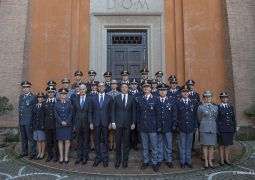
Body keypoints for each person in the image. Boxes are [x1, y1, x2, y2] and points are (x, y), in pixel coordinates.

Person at [111, 83, 136, 169]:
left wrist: (133, 123)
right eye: (123, 87)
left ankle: (125, 160)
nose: (124, 88)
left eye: (126, 87)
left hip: (128, 124)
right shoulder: (116, 98)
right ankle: (118, 160)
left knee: (126, 143)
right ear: (120, 89)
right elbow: (113, 111)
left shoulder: (132, 98)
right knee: (118, 143)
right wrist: (113, 122)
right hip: (118, 124)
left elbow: (134, 112)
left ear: (128, 89)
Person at [89, 82, 113, 168]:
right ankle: (97, 158)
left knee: (105, 141)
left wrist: (111, 122)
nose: (101, 87)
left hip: (106, 123)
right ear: (97, 88)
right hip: (96, 123)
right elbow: (90, 111)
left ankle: (105, 159)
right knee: (97, 141)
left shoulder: (109, 98)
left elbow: (111, 111)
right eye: (99, 86)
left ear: (105, 87)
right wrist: (91, 122)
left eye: (102, 86)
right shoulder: (93, 98)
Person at [137, 82, 159, 172]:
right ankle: (145, 162)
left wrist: (158, 126)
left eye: (147, 87)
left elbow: (158, 114)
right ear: (142, 89)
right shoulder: (140, 99)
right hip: (143, 126)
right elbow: (138, 113)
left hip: (152, 126)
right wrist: (138, 124)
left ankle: (154, 162)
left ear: (150, 89)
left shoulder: (155, 99)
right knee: (145, 146)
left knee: (154, 146)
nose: (146, 88)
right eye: (144, 87)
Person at [156, 83, 177, 169]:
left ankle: (169, 160)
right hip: (159, 126)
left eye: (164, 90)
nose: (162, 91)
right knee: (159, 143)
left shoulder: (171, 101)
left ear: (167, 91)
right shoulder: (155, 100)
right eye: (161, 90)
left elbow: (174, 114)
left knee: (168, 143)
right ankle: (160, 159)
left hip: (168, 126)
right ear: (158, 91)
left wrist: (174, 124)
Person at [176, 85, 197, 169]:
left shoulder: (193, 102)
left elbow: (195, 116)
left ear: (189, 93)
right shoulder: (178, 102)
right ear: (181, 93)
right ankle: (182, 161)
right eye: (183, 92)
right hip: (181, 127)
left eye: (186, 92)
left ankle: (188, 161)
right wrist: (177, 126)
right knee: (182, 145)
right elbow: (176, 116)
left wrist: (195, 126)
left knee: (189, 146)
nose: (185, 93)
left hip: (191, 127)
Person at [197, 91, 218, 168]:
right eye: (206, 97)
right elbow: (199, 118)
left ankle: (210, 160)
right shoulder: (200, 107)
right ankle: (205, 160)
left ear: (211, 98)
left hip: (212, 128)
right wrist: (204, 124)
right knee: (205, 146)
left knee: (211, 146)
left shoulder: (215, 107)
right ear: (204, 98)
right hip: (204, 129)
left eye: (209, 97)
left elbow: (215, 118)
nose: (208, 98)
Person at [18, 81, 37, 160]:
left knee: (30, 138)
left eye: (27, 87)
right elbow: (20, 109)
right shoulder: (21, 97)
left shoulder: (33, 97)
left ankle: (33, 153)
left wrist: (33, 121)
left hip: (29, 121)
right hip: (22, 120)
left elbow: (34, 111)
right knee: (23, 138)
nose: (25, 89)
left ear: (29, 88)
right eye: (24, 88)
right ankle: (24, 152)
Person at [217, 92, 236, 166]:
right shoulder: (218, 107)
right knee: (221, 145)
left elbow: (233, 119)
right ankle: (221, 160)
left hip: (229, 129)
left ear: (227, 98)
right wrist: (217, 130)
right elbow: (217, 120)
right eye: (223, 97)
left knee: (227, 145)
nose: (224, 99)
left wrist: (234, 129)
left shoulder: (231, 107)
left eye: (226, 97)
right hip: (221, 129)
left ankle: (227, 159)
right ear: (220, 98)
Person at [54, 88, 73, 164]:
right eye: (62, 94)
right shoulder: (56, 103)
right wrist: (61, 121)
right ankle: (61, 156)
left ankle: (66, 156)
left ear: (66, 95)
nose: (63, 95)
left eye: (64, 94)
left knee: (67, 140)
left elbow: (71, 114)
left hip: (68, 125)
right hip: (59, 125)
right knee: (60, 140)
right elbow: (55, 114)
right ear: (60, 95)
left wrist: (66, 121)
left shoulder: (69, 103)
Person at [73, 84, 90, 165]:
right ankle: (79, 157)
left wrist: (91, 123)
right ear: (78, 90)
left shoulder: (90, 99)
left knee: (86, 141)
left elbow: (91, 112)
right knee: (78, 141)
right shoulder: (75, 99)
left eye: (83, 89)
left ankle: (85, 157)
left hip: (86, 123)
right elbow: (74, 112)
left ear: (86, 90)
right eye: (80, 89)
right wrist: (74, 124)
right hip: (78, 123)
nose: (82, 90)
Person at [44, 86, 58, 162]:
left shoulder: (57, 101)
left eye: (52, 92)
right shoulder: (44, 102)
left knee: (55, 141)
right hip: (47, 125)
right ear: (47, 93)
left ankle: (56, 156)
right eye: (49, 92)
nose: (50, 93)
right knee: (49, 141)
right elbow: (43, 115)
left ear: (55, 93)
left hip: (55, 125)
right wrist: (43, 125)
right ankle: (50, 155)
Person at [106, 79, 120, 151]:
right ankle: (110, 144)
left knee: (116, 130)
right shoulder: (107, 94)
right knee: (110, 130)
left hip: (117, 114)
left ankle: (115, 144)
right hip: (108, 113)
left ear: (117, 85)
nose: (113, 85)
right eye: (112, 84)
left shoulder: (120, 94)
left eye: (115, 84)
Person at [32, 92, 46, 160]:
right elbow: (33, 116)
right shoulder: (34, 106)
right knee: (37, 140)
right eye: (39, 97)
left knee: (42, 140)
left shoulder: (44, 105)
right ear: (37, 98)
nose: (40, 98)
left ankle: (42, 153)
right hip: (36, 125)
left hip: (42, 126)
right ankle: (39, 153)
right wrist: (33, 125)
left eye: (41, 97)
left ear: (43, 98)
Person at [128, 78, 141, 151]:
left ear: (137, 85)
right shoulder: (127, 93)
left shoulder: (140, 93)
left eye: (135, 84)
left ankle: (135, 145)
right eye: (132, 84)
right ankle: (129, 144)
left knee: (136, 131)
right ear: (130, 85)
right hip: (129, 115)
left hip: (137, 114)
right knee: (129, 131)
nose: (133, 85)